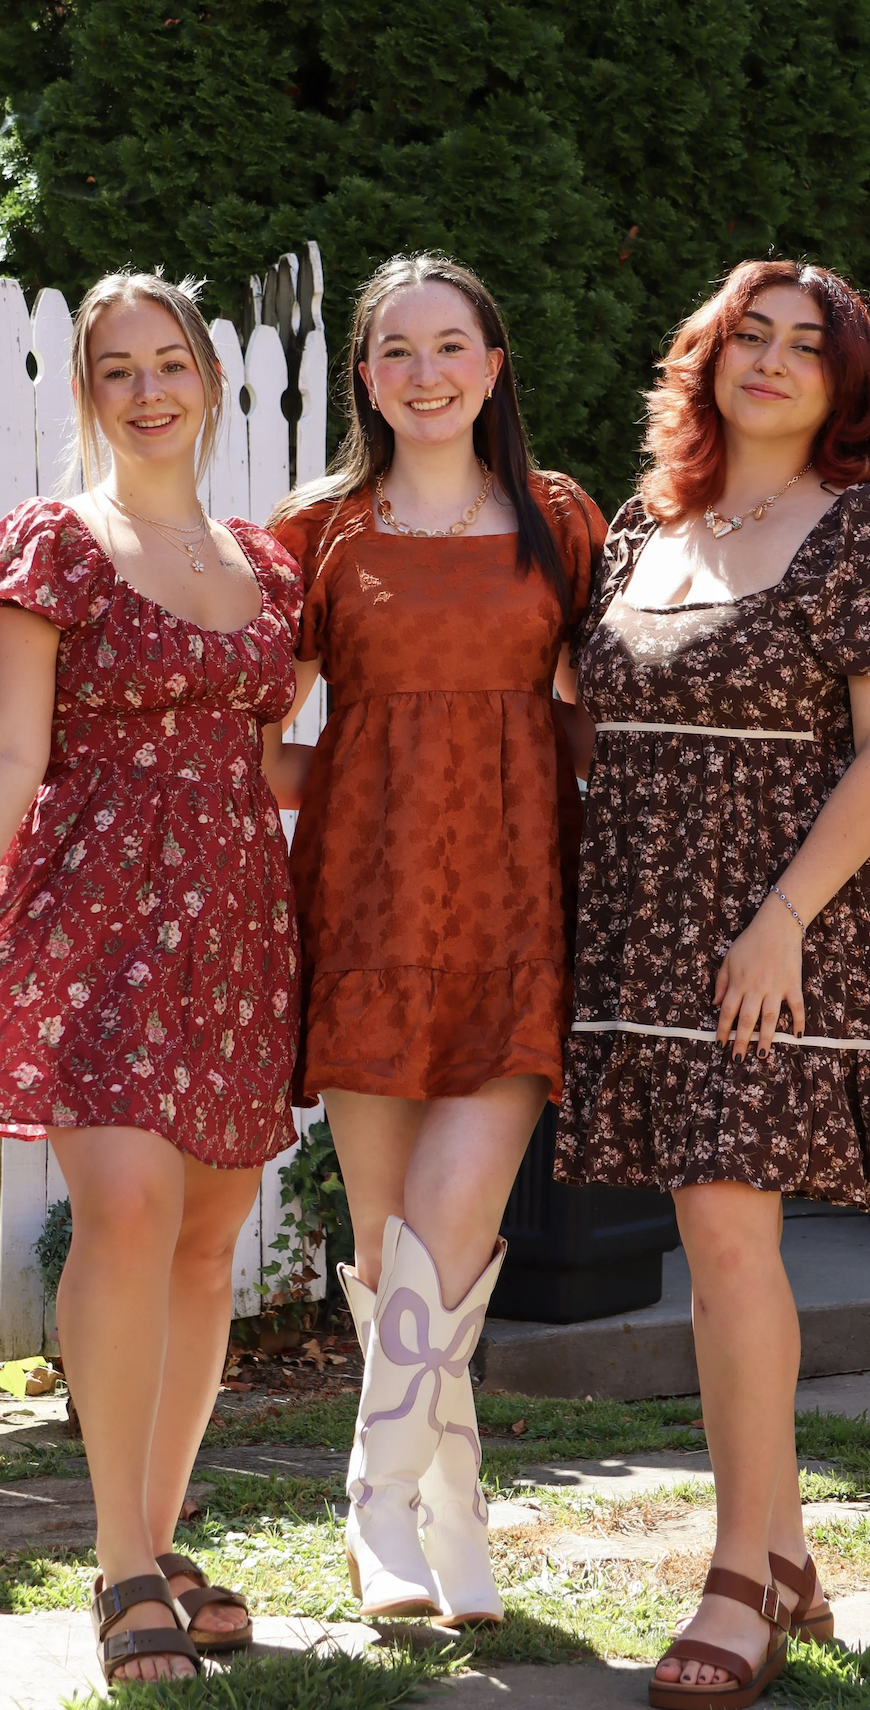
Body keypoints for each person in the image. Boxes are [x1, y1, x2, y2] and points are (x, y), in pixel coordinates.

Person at [0, 270, 304, 1686]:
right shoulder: (52, 542)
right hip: (97, 914)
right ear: (85, 393)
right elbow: (7, 751)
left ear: (209, 382)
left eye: (169, 362)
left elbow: (262, 764)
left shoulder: (268, 569)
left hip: (239, 926)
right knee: (126, 1206)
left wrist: (460, 761)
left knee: (207, 1231)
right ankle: (119, 1571)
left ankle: (157, 1537)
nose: (148, 389)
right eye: (117, 370)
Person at [554, 260, 870, 1710]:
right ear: (708, 360)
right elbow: (581, 728)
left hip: (772, 929)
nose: (778, 362)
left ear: (848, 384)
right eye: (753, 337)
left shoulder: (869, 532)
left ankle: (738, 1580)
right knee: (705, 1226)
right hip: (641, 932)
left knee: (730, 1237)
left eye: (810, 346)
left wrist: (782, 917)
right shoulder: (639, 529)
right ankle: (784, 1550)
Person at [261, 253, 605, 1628]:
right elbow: (257, 739)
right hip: (367, 913)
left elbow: (597, 716)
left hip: (517, 911)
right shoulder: (317, 531)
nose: (424, 373)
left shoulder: (560, 522)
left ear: (494, 365)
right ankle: (443, 1516)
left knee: (453, 1223)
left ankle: (374, 1495)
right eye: (394, 351)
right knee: (386, 1229)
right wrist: (351, 784)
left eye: (450, 345)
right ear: (364, 375)